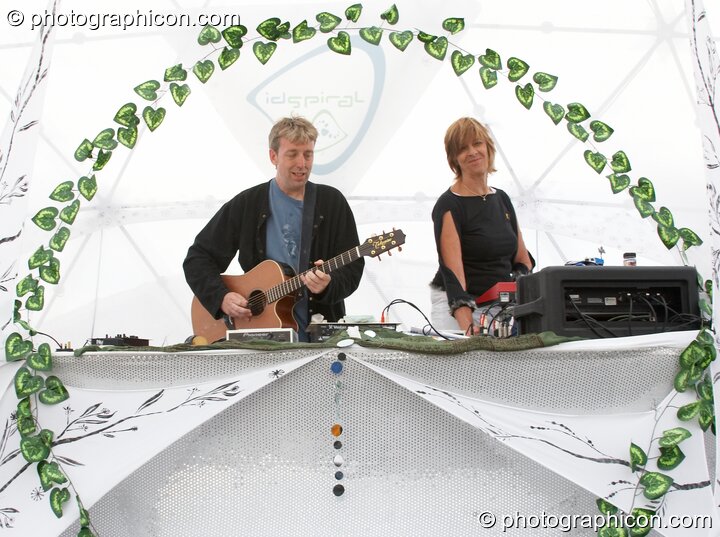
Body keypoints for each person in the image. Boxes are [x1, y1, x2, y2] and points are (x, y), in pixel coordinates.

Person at [183, 116, 364, 341]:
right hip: (256, 340)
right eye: (292, 154)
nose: (302, 163)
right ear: (273, 156)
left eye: (308, 154)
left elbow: (353, 268)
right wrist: (221, 297)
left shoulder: (332, 203)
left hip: (320, 339)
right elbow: (198, 259)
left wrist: (328, 285)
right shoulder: (247, 204)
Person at [430, 117, 533, 335]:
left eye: (477, 143)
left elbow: (522, 260)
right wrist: (468, 327)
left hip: (501, 307)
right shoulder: (449, 205)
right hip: (459, 308)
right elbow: (453, 277)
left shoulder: (502, 199)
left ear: (488, 147)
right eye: (462, 148)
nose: (472, 152)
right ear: (454, 159)